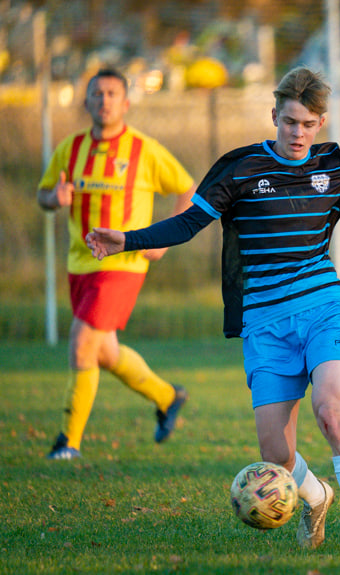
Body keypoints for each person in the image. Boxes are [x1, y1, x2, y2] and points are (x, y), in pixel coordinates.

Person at [86, 67, 340, 553]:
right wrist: (125, 240)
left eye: (308, 124)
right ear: (275, 115)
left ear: (320, 123)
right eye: (291, 122)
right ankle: (316, 496)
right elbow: (189, 223)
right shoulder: (238, 169)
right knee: (276, 453)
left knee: (331, 409)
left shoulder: (336, 164)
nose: (298, 133)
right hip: (265, 321)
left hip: (325, 308)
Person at [37, 68, 195, 461]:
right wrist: (53, 199)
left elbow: (187, 188)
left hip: (122, 263)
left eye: (112, 94)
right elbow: (43, 195)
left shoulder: (144, 149)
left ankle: (67, 443)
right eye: (97, 93)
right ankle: (167, 396)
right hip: (80, 264)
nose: (104, 100)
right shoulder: (69, 149)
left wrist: (165, 240)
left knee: (82, 343)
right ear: (87, 101)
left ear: (125, 103)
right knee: (103, 352)